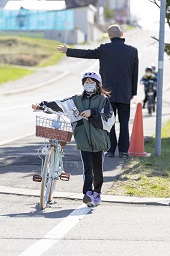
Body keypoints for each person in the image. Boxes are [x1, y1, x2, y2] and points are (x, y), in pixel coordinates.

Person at [32, 71, 114, 207]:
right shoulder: (76, 100)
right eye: (86, 81)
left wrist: (92, 113)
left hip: (99, 140)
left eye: (91, 81)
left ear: (97, 85)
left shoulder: (103, 100)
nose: (88, 84)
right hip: (83, 140)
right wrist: (41, 105)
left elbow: (109, 119)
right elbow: (60, 105)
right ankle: (88, 194)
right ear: (83, 84)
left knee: (97, 169)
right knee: (87, 168)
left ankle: (97, 194)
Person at [57, 24, 139, 158]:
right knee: (124, 122)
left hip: (107, 94)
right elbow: (134, 73)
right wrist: (132, 92)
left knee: (108, 122)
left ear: (109, 35)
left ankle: (111, 150)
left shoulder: (104, 49)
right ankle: (124, 150)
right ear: (122, 34)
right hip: (125, 92)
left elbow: (87, 53)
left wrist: (68, 51)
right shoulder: (132, 51)